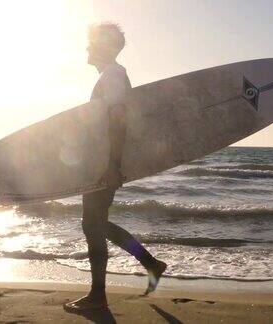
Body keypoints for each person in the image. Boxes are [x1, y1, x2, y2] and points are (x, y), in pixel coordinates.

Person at [64, 23, 167, 312]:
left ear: (106, 47)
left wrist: (112, 166)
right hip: (100, 162)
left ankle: (98, 297)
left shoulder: (113, 76)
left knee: (93, 225)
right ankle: (150, 263)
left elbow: (119, 121)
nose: (87, 48)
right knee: (96, 224)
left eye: (92, 43)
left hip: (105, 164)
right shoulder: (111, 76)